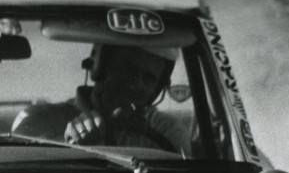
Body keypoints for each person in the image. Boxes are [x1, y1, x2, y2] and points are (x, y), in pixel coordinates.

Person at [12, 44, 193, 155]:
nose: (136, 85)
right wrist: (68, 146)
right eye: (127, 70)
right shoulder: (38, 120)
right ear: (99, 68)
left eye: (149, 78)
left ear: (159, 87)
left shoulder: (168, 132)